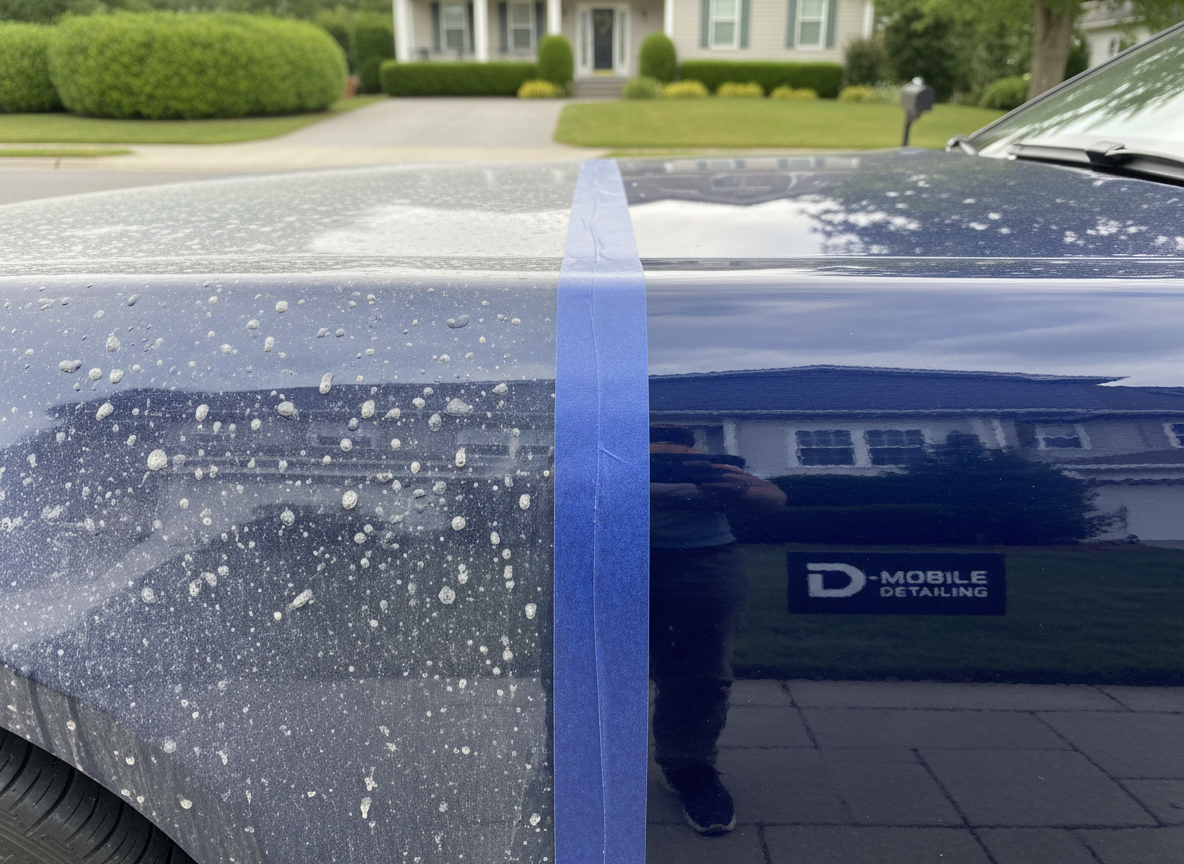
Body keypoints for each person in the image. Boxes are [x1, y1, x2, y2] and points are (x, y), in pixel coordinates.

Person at [649, 425, 787, 835]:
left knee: (700, 675)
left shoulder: (713, 469)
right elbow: (552, 508)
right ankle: (576, 768)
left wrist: (735, 489)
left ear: (689, 451)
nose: (670, 454)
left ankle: (689, 767)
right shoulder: (596, 462)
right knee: (584, 674)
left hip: (704, 565)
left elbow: (774, 497)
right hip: (606, 561)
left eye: (678, 450)